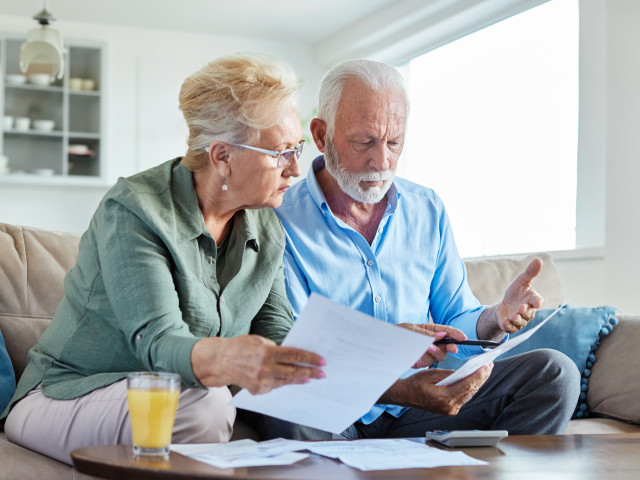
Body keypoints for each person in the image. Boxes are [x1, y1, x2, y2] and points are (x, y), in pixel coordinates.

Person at [1, 53, 327, 464]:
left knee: (274, 406)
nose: (296, 168)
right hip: (63, 395)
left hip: (171, 398)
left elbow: (279, 331)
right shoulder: (136, 209)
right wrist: (230, 358)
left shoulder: (266, 227)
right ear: (222, 156)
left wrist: (363, 356)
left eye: (297, 148)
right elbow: (156, 342)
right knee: (204, 405)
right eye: (281, 152)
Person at [245, 58, 581, 440]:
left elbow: (456, 318)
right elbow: (298, 352)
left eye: (394, 142)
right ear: (321, 136)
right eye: (364, 142)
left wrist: (495, 318)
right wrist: (388, 357)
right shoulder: (278, 218)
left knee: (554, 374)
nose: (382, 160)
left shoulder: (427, 208)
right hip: (334, 411)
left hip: (421, 406)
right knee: (286, 404)